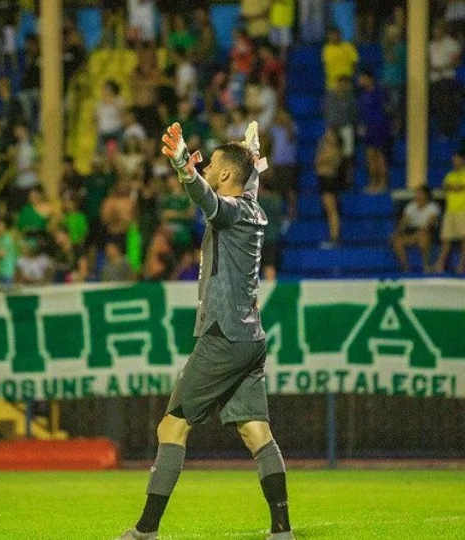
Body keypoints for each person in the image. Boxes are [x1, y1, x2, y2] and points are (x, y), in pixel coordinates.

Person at [118, 123, 293, 540]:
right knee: (256, 431)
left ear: (227, 177)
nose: (207, 165)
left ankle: (145, 531)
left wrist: (183, 166)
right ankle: (282, 530)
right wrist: (251, 155)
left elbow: (207, 198)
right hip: (250, 338)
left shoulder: (230, 210)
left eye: (213, 164)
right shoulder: (254, 208)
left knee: (172, 427)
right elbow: (243, 185)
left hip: (223, 335)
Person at [434, 153, 465, 274]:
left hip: (463, 210)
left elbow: (459, 188)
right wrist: (453, 187)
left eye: (457, 160)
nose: (454, 162)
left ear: (463, 160)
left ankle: (462, 266)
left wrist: (451, 187)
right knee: (446, 239)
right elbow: (445, 187)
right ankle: (440, 265)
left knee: (464, 239)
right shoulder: (450, 175)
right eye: (453, 160)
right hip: (450, 210)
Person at [391, 186, 440, 273]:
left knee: (423, 238)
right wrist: (397, 232)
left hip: (427, 231)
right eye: (417, 193)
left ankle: (426, 266)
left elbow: (429, 224)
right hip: (412, 231)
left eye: (420, 193)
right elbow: (404, 222)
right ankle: (406, 268)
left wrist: (417, 235)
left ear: (426, 195)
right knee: (397, 242)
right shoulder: (410, 206)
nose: (417, 195)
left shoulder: (433, 207)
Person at [429, 22, 462, 138]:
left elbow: (456, 61)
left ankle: (449, 129)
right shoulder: (430, 46)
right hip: (434, 80)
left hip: (447, 78)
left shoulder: (450, 43)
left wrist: (442, 68)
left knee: (447, 101)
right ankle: (440, 130)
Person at [315, 129, 344, 248]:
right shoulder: (325, 148)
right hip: (323, 180)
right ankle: (333, 237)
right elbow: (317, 162)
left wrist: (323, 158)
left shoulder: (335, 151)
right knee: (329, 211)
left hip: (329, 181)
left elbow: (324, 162)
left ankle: (334, 238)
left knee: (332, 211)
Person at [322, 28, 358, 92]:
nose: (334, 37)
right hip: (332, 85)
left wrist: (350, 78)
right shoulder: (326, 49)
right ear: (329, 36)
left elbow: (355, 63)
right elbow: (325, 66)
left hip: (347, 83)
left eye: (336, 34)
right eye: (332, 35)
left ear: (340, 35)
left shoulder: (348, 46)